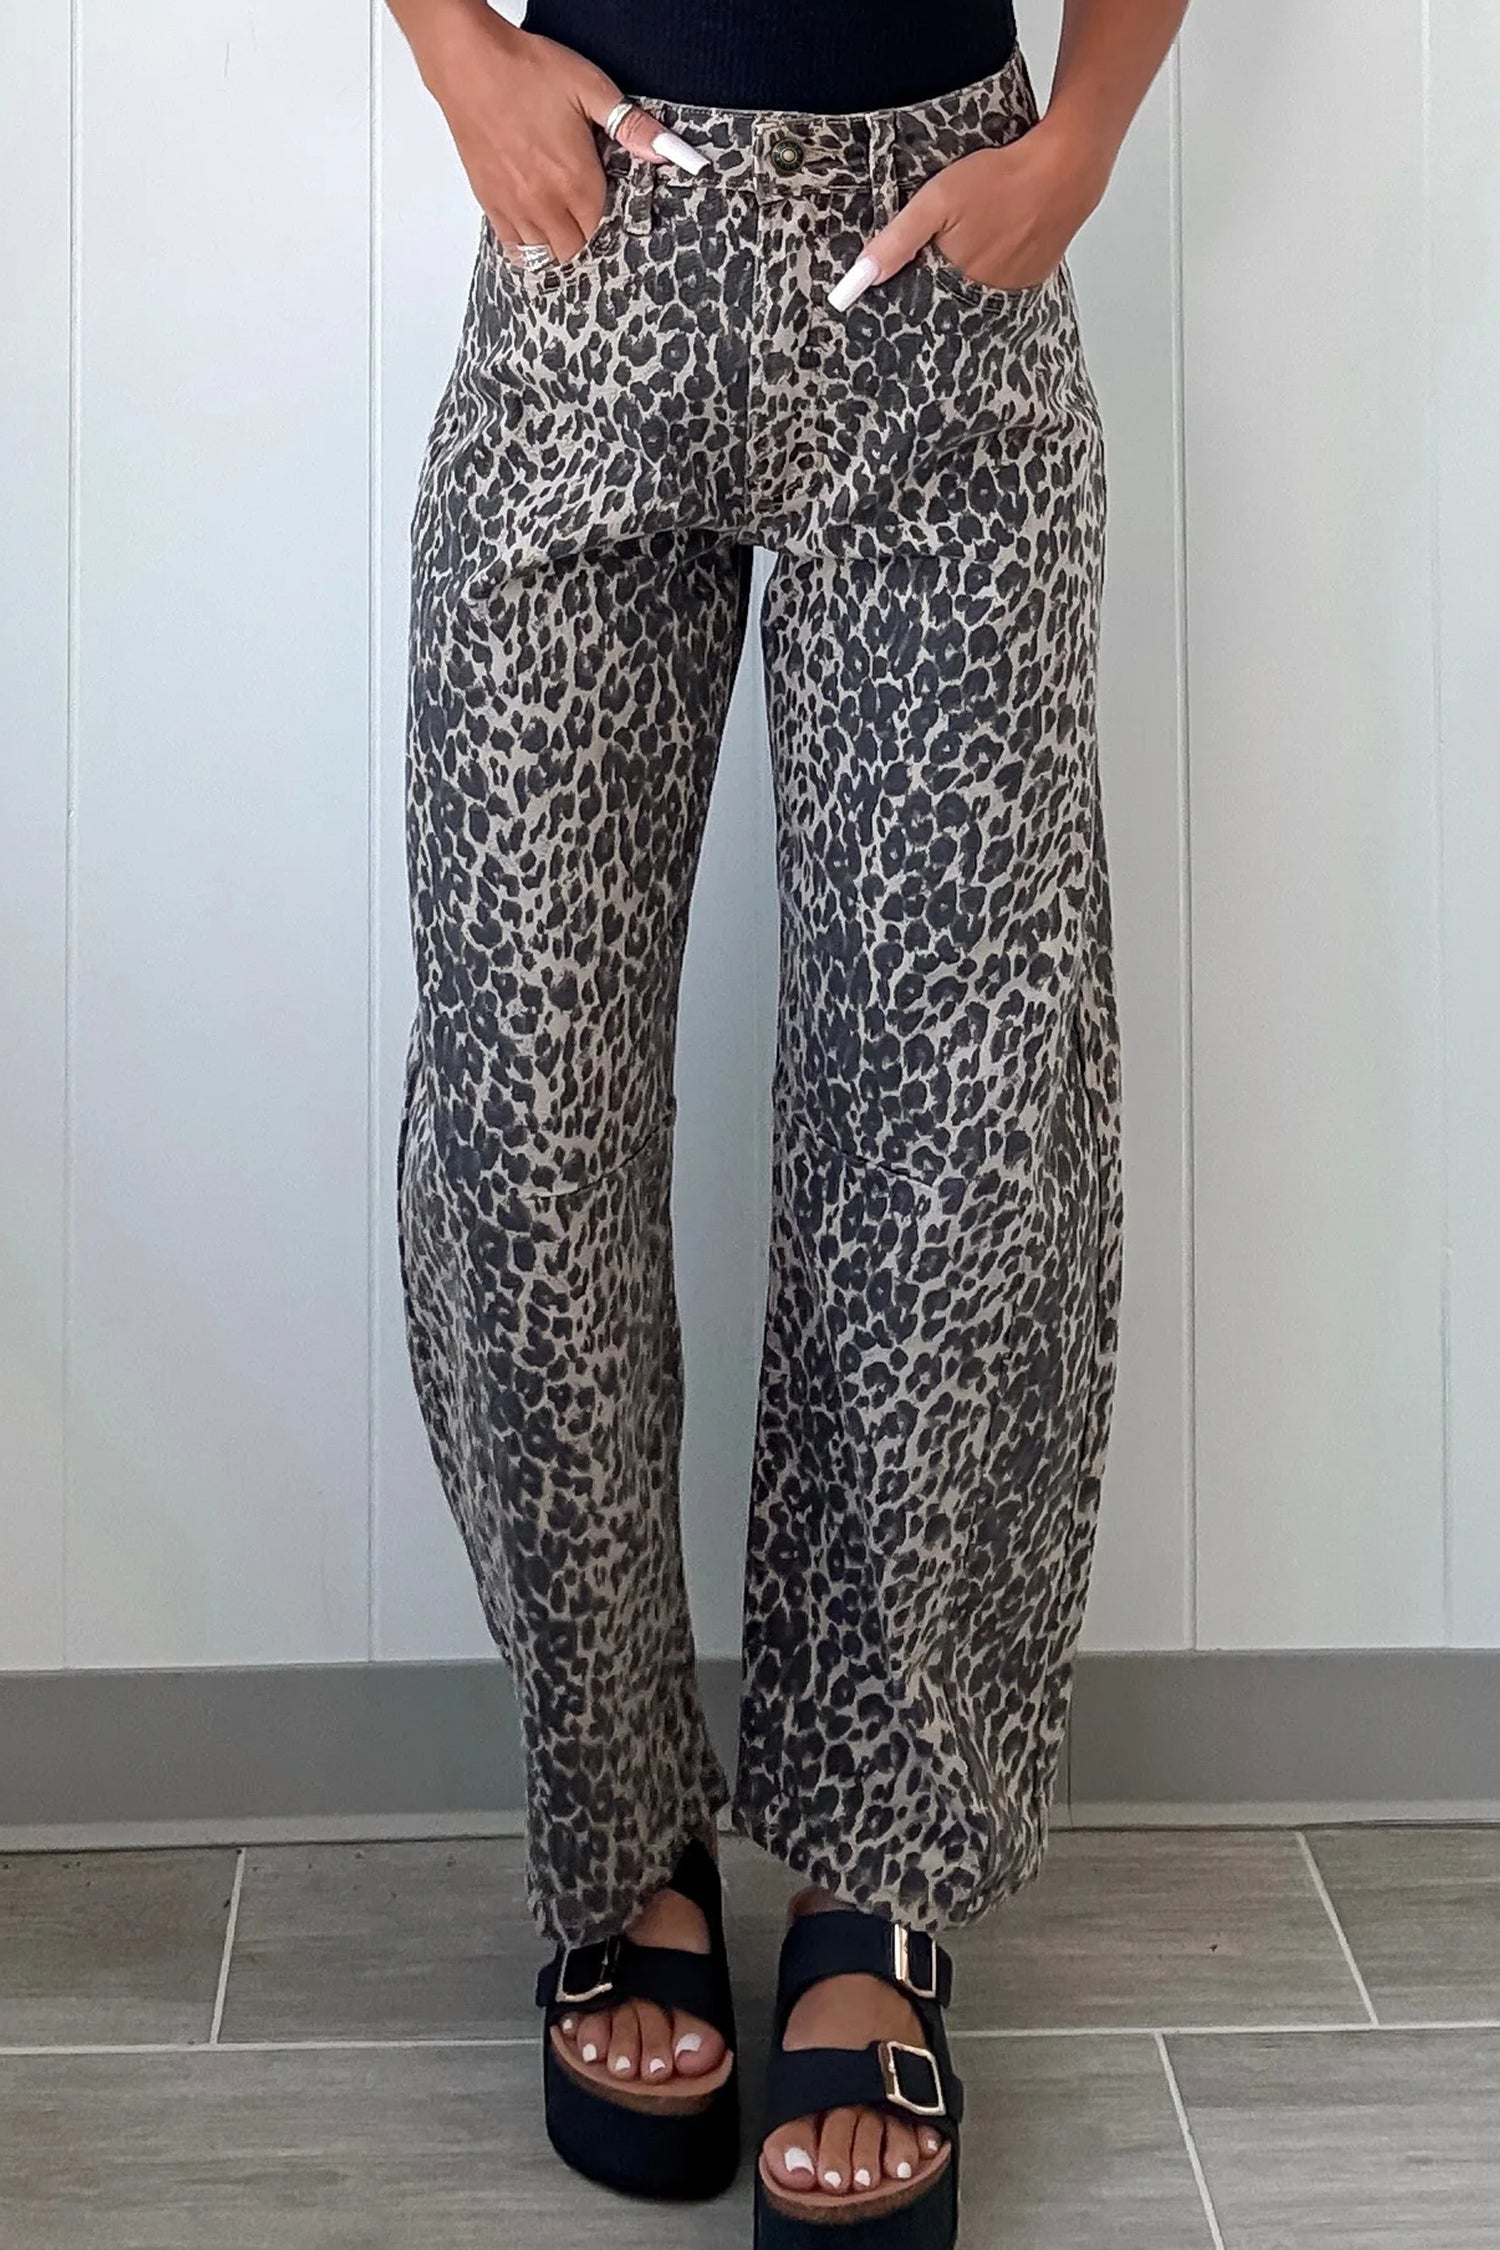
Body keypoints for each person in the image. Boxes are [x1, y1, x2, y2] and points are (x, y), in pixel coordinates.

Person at [384, 0, 1186, 2238]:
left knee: (956, 1135)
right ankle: (617, 1833)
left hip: (946, 277)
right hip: (597, 257)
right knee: (525, 1109)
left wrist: (1082, 140)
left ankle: (875, 1889)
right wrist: (454, 54)